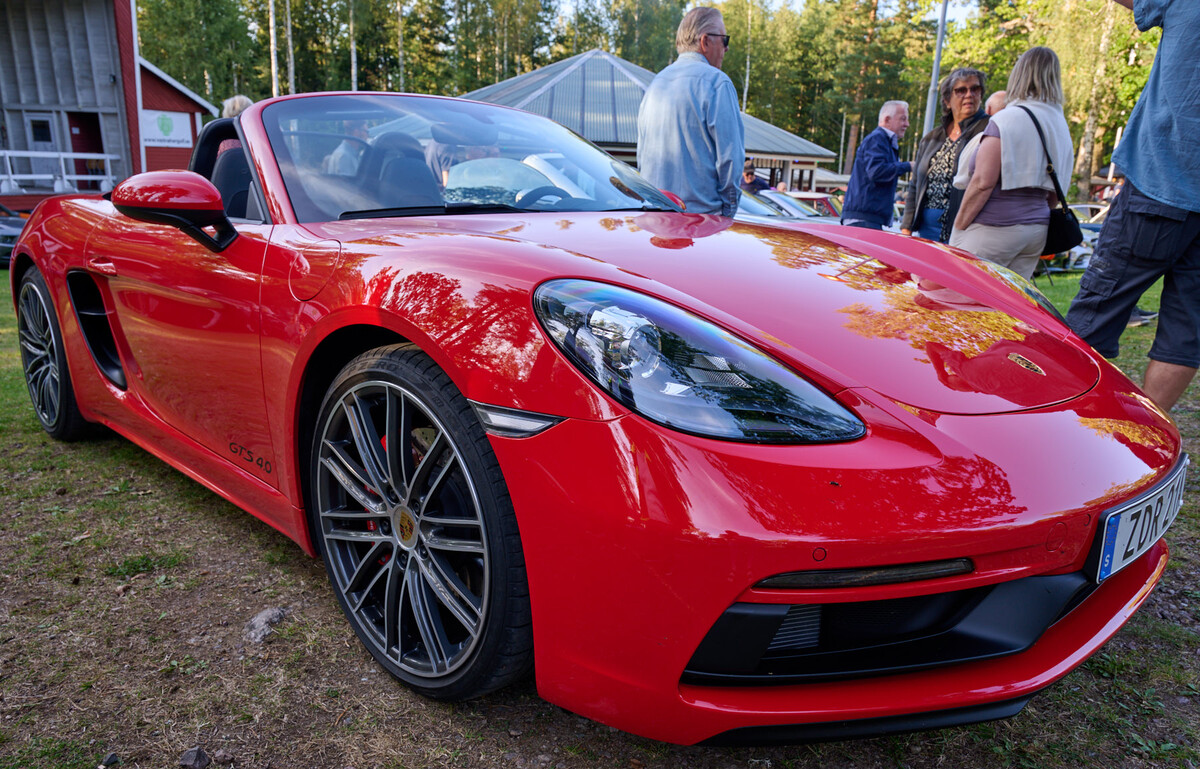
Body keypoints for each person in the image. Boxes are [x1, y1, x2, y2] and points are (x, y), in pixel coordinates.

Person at [1066, 0, 1200, 411]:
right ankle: (1142, 437)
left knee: (1093, 320)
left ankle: (1065, 428)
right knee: (1185, 334)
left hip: (1161, 182)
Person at [949, 47, 1073, 280]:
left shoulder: (1007, 119)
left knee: (958, 295)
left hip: (993, 228)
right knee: (1006, 301)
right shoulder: (1059, 124)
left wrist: (959, 227)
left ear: (1019, 75)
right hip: (1036, 230)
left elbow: (983, 182)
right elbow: (1056, 191)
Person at [637, 7, 744, 216]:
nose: (727, 48)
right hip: (700, 221)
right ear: (705, 41)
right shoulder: (717, 83)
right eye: (724, 40)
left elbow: (642, 157)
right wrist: (727, 215)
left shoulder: (655, 85)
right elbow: (730, 161)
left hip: (653, 218)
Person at [901, 68, 990, 241]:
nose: (969, 94)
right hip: (926, 231)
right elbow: (915, 184)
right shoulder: (931, 138)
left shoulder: (989, 130)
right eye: (961, 90)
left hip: (966, 229)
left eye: (975, 89)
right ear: (947, 100)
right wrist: (906, 228)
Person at [841, 101, 911, 230]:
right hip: (863, 219)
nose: (907, 124)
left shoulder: (883, 141)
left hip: (866, 218)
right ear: (887, 119)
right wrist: (908, 166)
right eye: (903, 119)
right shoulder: (877, 139)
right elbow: (876, 171)